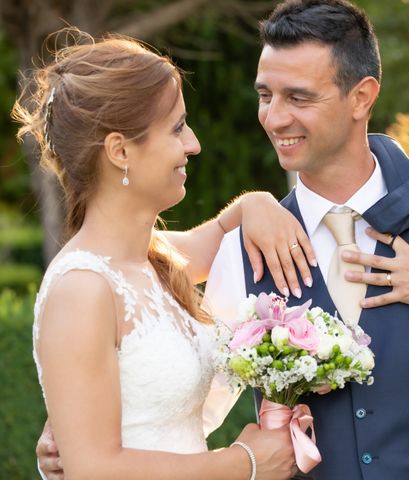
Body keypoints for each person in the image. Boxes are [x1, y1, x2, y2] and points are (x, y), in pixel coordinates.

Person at [38, 1, 409, 479]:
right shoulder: (246, 249)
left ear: (362, 97)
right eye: (265, 95)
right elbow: (196, 397)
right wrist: (77, 436)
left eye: (298, 97)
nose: (274, 118)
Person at [17, 30, 310, 479]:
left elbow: (219, 231)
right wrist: (246, 463)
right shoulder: (82, 288)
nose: (193, 143)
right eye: (176, 127)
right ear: (120, 151)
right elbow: (92, 469)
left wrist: (258, 203)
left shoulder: (153, 257)